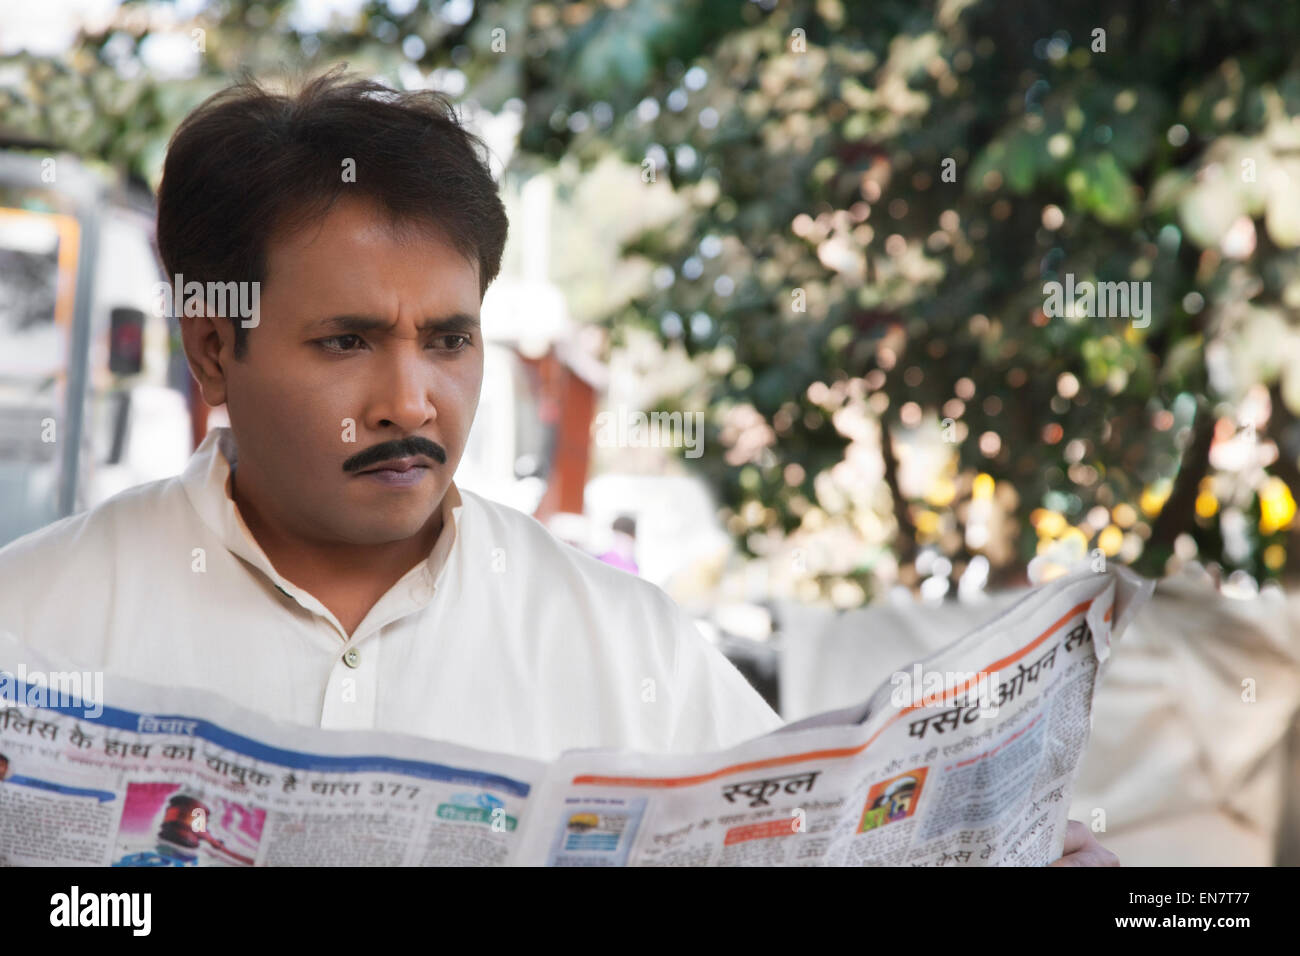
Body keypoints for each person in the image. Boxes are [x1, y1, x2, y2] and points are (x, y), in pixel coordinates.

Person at [0, 69, 1114, 866]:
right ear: (213, 349)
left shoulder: (621, 641)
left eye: (447, 338)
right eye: (346, 341)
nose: (410, 400)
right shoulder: (34, 622)